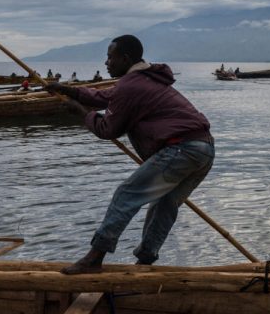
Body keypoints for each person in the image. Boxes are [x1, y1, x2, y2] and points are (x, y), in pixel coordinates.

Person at [45, 34, 214, 274]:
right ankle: (145, 262)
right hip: (204, 149)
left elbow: (108, 129)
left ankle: (95, 257)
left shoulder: (130, 84)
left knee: (127, 194)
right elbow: (105, 97)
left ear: (125, 59)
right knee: (165, 203)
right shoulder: (143, 79)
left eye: (110, 57)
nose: (106, 63)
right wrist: (67, 90)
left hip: (182, 148)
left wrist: (82, 114)